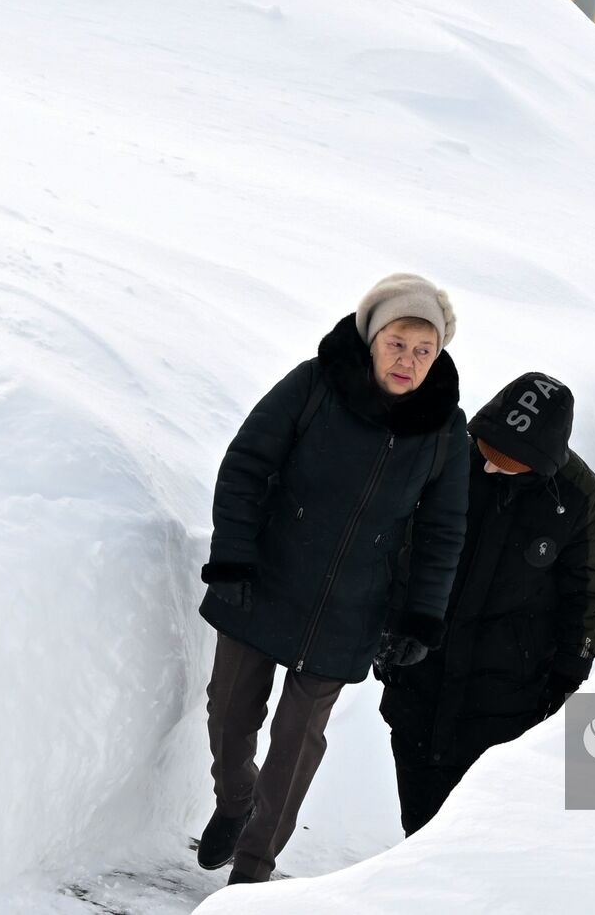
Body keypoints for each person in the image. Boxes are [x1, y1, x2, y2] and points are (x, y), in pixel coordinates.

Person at [194, 273, 469, 883]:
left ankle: (253, 872)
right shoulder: (315, 384)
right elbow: (245, 464)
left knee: (296, 743)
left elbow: (442, 532)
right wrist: (235, 557)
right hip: (264, 578)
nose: (409, 361)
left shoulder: (445, 429)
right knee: (229, 716)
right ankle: (234, 802)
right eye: (398, 343)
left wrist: (421, 616)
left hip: (352, 606)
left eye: (424, 351)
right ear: (373, 337)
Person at [379, 372, 595, 836]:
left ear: (539, 463)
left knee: (473, 817)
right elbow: (398, 548)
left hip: (508, 686)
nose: (487, 468)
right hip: (421, 667)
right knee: (418, 800)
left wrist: (569, 675)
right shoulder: (450, 458)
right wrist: (387, 628)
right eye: (484, 453)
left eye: (503, 464)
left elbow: (585, 592)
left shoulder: (576, 496)